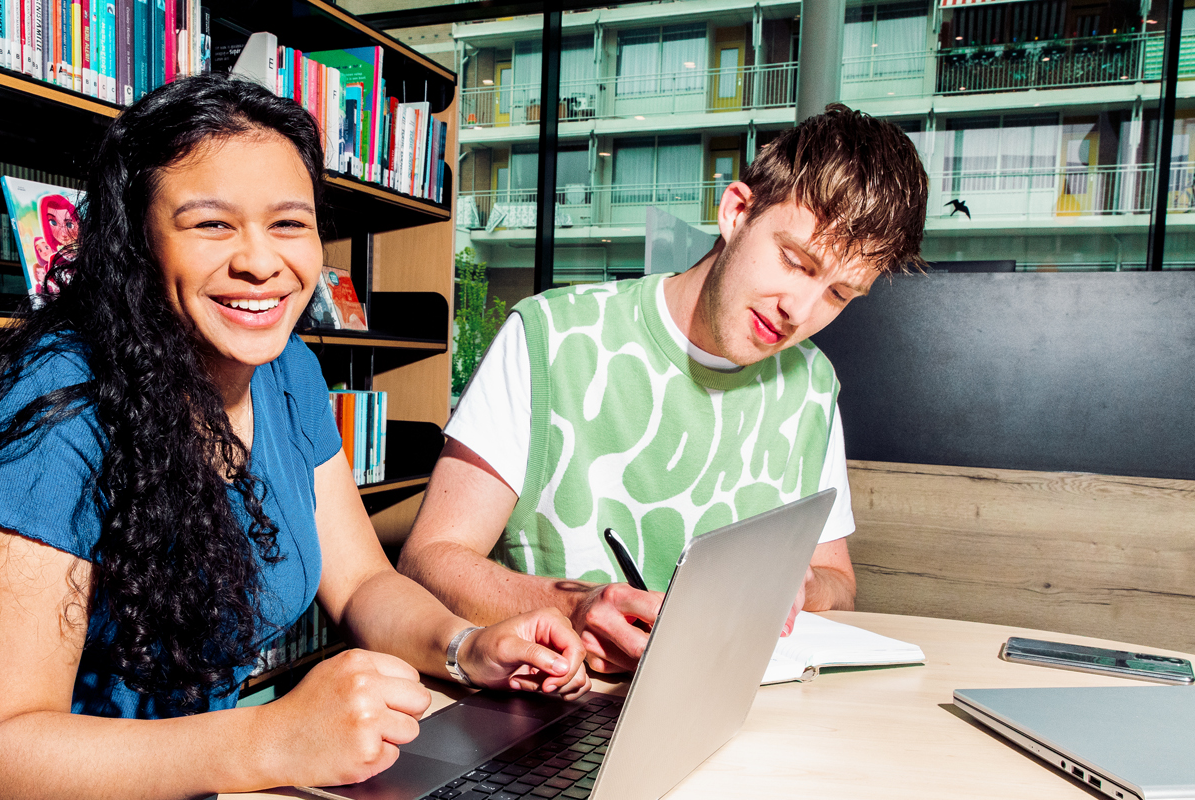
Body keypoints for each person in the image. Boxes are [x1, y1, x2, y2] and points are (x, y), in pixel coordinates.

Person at [0, 74, 589, 800]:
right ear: (135, 242)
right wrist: (274, 737)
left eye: (289, 223)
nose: (260, 261)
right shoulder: (56, 412)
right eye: (211, 224)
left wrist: (468, 648)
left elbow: (365, 584)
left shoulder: (288, 371)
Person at [398, 104, 929, 674]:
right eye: (795, 262)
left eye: (839, 295)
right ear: (736, 212)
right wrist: (573, 605)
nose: (799, 311)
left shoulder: (813, 384)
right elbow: (428, 559)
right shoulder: (549, 336)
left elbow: (839, 583)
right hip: (547, 708)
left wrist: (801, 582)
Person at [30, 193, 80, 295]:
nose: (63, 232)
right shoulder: (55, 259)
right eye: (53, 223)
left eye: (69, 224)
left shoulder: (86, 256)